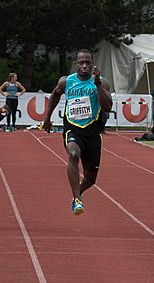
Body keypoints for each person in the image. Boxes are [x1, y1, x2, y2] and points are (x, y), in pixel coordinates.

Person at [43, 49, 112, 215]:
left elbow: (107, 106)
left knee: (90, 180)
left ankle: (78, 192)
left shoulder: (102, 82)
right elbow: (55, 94)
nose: (84, 66)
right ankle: (77, 200)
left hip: (93, 132)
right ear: (76, 64)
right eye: (81, 62)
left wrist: (97, 84)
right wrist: (47, 118)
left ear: (92, 64)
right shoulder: (66, 82)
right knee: (73, 154)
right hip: (73, 128)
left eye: (88, 62)